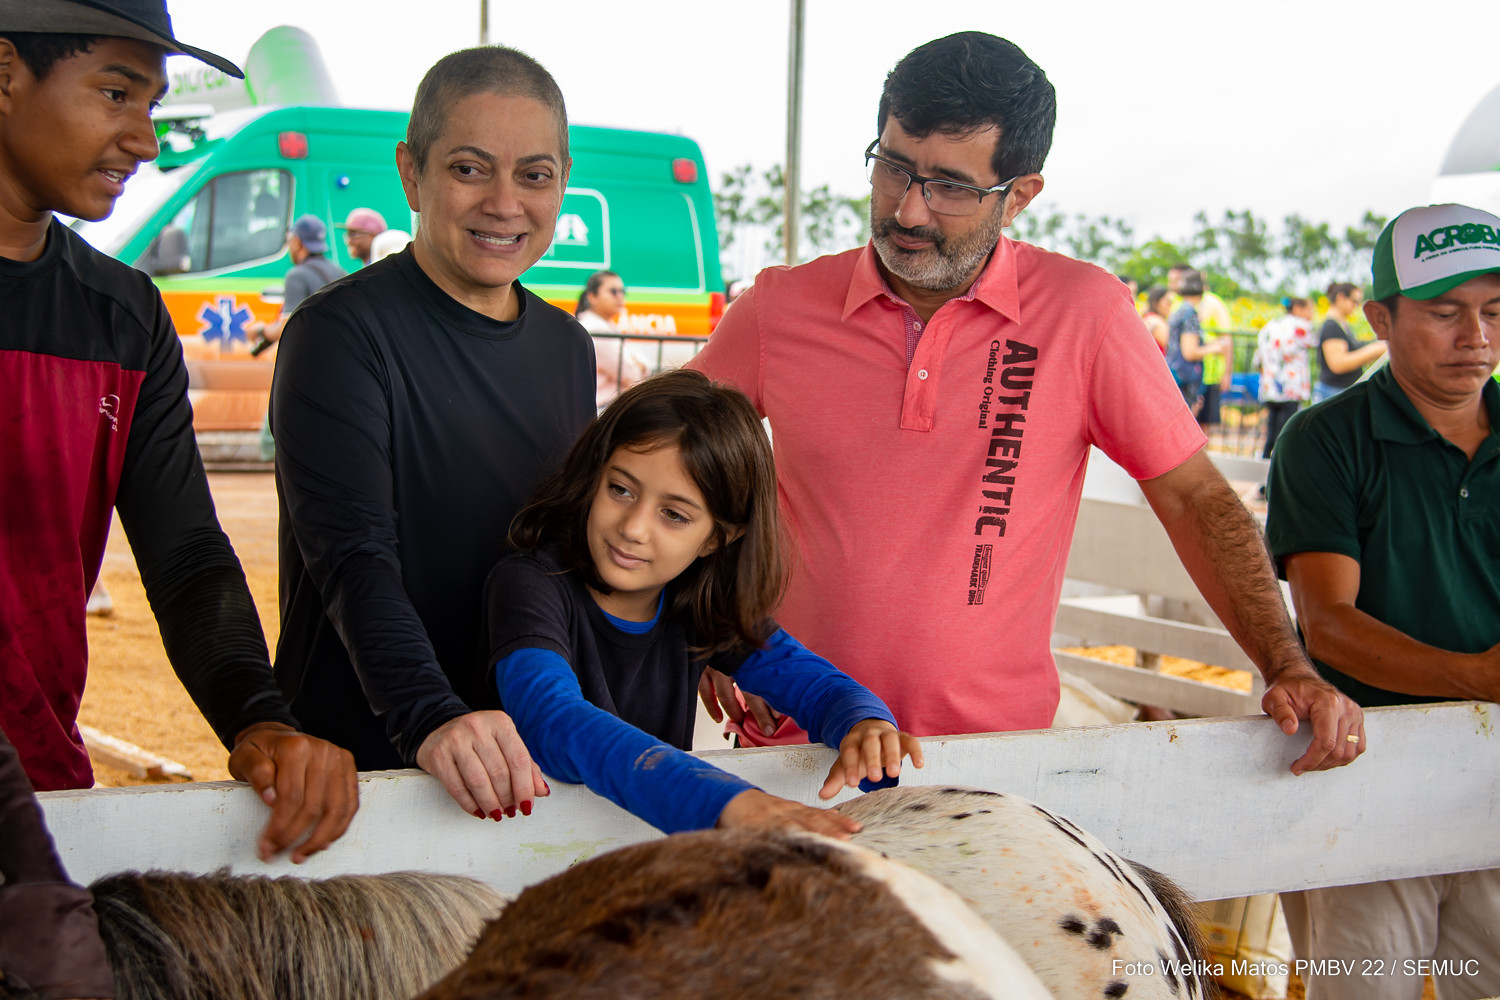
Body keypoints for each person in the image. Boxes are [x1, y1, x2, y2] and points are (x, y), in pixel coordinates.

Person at [688, 31, 1361, 775]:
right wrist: (702, 607)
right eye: (894, 168)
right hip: (791, 750)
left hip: (994, 760)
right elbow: (656, 456)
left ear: (1019, 196)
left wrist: (1285, 664)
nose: (907, 211)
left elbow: (1194, 495)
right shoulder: (779, 307)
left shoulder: (1085, 314)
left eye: (950, 187)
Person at [0, 0, 356, 865]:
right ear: (6, 74)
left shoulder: (123, 319)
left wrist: (258, 716)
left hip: (34, 809)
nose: (145, 140)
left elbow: (186, 554)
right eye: (115, 93)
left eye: (152, 105)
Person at [270, 45, 594, 822]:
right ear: (411, 174)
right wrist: (431, 715)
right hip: (370, 767)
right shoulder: (338, 334)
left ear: (562, 182)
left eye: (535, 175)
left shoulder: (567, 347)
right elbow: (354, 557)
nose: (505, 203)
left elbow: (567, 552)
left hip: (519, 759)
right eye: (470, 169)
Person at [483, 369, 922, 836]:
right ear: (594, 476)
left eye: (673, 514)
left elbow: (819, 688)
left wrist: (864, 724)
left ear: (717, 538)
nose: (633, 527)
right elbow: (551, 720)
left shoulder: (702, 605)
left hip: (633, 852)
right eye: (620, 489)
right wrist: (724, 802)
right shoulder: (530, 583)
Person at [1266, 202, 1500, 1000]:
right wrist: (1478, 677)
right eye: (1446, 312)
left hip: (1494, 774)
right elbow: (1329, 627)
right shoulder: (1327, 439)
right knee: (1368, 984)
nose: (1476, 337)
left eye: (1495, 312)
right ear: (1380, 319)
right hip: (1366, 772)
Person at [245, 214, 346, 354]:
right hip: (338, 353)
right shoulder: (340, 272)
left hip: (314, 356)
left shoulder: (296, 276)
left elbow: (287, 328)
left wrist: (260, 331)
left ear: (297, 242)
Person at [575, 268, 649, 407]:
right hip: (603, 407)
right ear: (592, 297)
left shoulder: (605, 326)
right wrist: (638, 366)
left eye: (622, 292)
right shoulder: (596, 329)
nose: (620, 296)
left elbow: (642, 367)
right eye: (613, 291)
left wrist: (639, 366)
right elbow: (632, 376)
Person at [1166, 269, 1234, 412]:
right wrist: (1215, 348)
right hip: (1186, 381)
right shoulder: (1190, 313)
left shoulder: (1180, 309)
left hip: (1176, 376)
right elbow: (1190, 352)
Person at [1256, 296, 1314, 456]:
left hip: (1270, 385)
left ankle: (1265, 462)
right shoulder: (1301, 327)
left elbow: (1258, 357)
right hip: (1291, 386)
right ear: (1297, 308)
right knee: (1285, 433)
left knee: (1271, 432)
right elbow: (1313, 342)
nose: (1311, 315)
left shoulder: (1270, 326)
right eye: (1309, 310)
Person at [1314, 281, 1386, 402]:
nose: (1356, 306)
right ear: (1341, 297)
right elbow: (1338, 364)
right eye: (1354, 301)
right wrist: (1373, 350)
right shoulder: (1331, 326)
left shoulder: (1342, 324)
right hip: (1334, 393)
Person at [1142, 285, 1171, 353]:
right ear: (1155, 303)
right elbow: (1171, 345)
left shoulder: (1147, 318)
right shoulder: (1156, 321)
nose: (1170, 305)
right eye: (1167, 302)